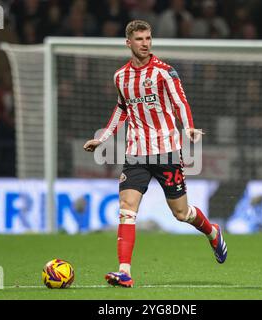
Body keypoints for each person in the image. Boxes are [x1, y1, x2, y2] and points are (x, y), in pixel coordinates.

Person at [83, 20, 227, 288]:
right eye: (139, 39)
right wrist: (102, 138)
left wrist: (189, 127)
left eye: (148, 38)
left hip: (166, 151)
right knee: (126, 209)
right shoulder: (120, 77)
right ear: (128, 43)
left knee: (181, 213)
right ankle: (124, 272)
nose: (146, 43)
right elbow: (121, 109)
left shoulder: (164, 72)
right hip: (136, 153)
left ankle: (212, 231)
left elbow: (180, 101)